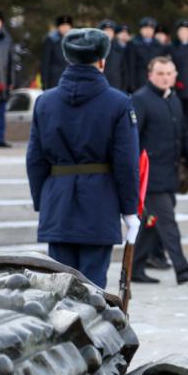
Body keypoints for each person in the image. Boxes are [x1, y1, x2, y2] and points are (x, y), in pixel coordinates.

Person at [25, 28, 140, 288]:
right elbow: (126, 163)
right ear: (102, 61)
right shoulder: (118, 103)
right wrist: (129, 209)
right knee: (92, 291)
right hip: (100, 203)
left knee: (60, 290)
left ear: (68, 59)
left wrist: (43, 201)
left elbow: (35, 160)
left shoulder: (45, 102)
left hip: (58, 202)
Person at [130, 56, 188, 285]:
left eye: (169, 73)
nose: (165, 78)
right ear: (150, 75)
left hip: (170, 174)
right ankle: (182, 269)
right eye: (160, 73)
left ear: (175, 76)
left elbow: (184, 135)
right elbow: (131, 138)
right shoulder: (140, 99)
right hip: (150, 176)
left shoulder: (173, 99)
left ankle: (134, 269)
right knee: (167, 222)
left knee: (151, 223)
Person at [124, 17, 165, 92]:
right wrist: (132, 85)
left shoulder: (158, 45)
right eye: (145, 28)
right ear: (141, 30)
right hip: (139, 81)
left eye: (150, 29)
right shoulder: (133, 43)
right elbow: (130, 66)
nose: (148, 31)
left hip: (155, 81)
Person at [0, 10, 18, 148]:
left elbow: (12, 63)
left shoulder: (7, 40)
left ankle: (0, 139)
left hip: (2, 82)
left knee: (1, 112)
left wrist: (11, 81)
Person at [41, 15, 73, 90]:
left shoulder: (73, 40)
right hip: (55, 80)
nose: (65, 28)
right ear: (58, 27)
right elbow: (45, 62)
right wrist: (44, 81)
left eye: (67, 26)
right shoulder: (51, 40)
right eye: (63, 26)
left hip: (70, 80)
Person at [98, 20, 127, 91]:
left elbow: (124, 71)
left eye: (111, 31)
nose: (108, 33)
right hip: (99, 86)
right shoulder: (96, 49)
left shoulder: (120, 49)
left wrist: (124, 89)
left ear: (114, 33)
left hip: (116, 87)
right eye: (106, 30)